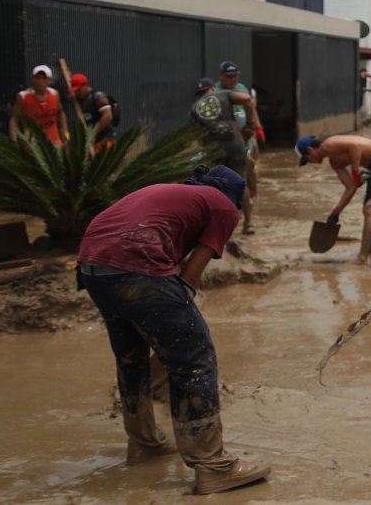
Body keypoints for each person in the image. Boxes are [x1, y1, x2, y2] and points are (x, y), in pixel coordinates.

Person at [76, 165, 270, 495]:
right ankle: (211, 465)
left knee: (131, 357)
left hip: (92, 266)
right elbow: (190, 277)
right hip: (137, 263)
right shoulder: (222, 205)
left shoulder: (171, 193)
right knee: (194, 359)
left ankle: (144, 442)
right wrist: (182, 321)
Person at [296, 134, 371, 264]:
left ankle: (361, 259)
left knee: (368, 209)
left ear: (310, 150)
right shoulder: (334, 162)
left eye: (307, 159)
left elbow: (355, 147)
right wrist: (336, 212)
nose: (310, 162)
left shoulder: (329, 144)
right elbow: (350, 187)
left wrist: (354, 172)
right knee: (370, 209)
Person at [190, 78, 258, 232]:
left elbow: (198, 136)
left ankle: (221, 226)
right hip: (235, 144)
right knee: (241, 182)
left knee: (216, 186)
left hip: (214, 148)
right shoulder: (224, 94)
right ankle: (248, 224)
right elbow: (247, 99)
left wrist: (205, 150)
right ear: (213, 88)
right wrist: (250, 124)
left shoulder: (195, 108)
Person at [215, 61, 261, 234]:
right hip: (228, 144)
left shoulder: (241, 89)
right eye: (229, 76)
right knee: (232, 182)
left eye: (235, 76)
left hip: (244, 141)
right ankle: (237, 218)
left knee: (246, 176)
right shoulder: (217, 92)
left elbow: (251, 105)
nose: (233, 79)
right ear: (221, 77)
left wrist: (254, 125)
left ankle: (247, 217)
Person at [10, 64, 67, 146]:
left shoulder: (54, 94)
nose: (40, 82)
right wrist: (13, 142)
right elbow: (14, 120)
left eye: (44, 78)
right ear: (33, 79)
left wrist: (66, 136)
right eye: (37, 78)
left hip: (54, 145)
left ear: (49, 80)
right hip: (33, 147)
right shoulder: (23, 97)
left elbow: (61, 115)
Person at [70, 72, 115, 151]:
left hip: (103, 141)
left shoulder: (98, 97)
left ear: (85, 86)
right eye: (75, 91)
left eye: (78, 90)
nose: (77, 93)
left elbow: (107, 116)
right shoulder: (79, 99)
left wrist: (92, 133)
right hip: (90, 143)